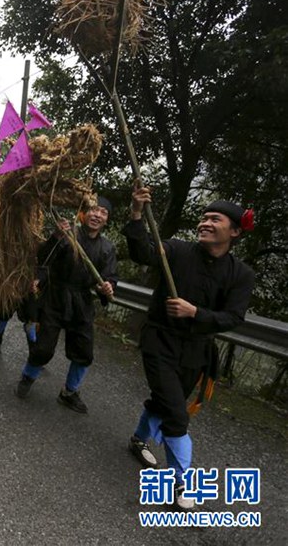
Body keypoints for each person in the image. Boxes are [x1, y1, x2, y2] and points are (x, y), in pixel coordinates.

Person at [124, 187, 255, 510]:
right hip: (160, 340)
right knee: (176, 414)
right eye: (204, 217)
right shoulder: (177, 250)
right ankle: (181, 484)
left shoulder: (241, 274)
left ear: (235, 231)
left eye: (215, 219)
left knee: (165, 402)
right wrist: (137, 214)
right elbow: (143, 253)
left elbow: (233, 317)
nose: (205, 222)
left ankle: (138, 439)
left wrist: (195, 312)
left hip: (197, 350)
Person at [15, 197, 118, 413]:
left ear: (107, 219)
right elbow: (43, 257)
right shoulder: (68, 234)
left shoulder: (107, 248)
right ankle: (28, 376)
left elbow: (109, 277)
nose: (97, 215)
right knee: (43, 348)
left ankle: (69, 392)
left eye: (103, 212)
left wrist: (107, 287)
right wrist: (56, 236)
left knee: (84, 353)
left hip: (82, 303)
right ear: (84, 213)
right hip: (55, 297)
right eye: (93, 210)